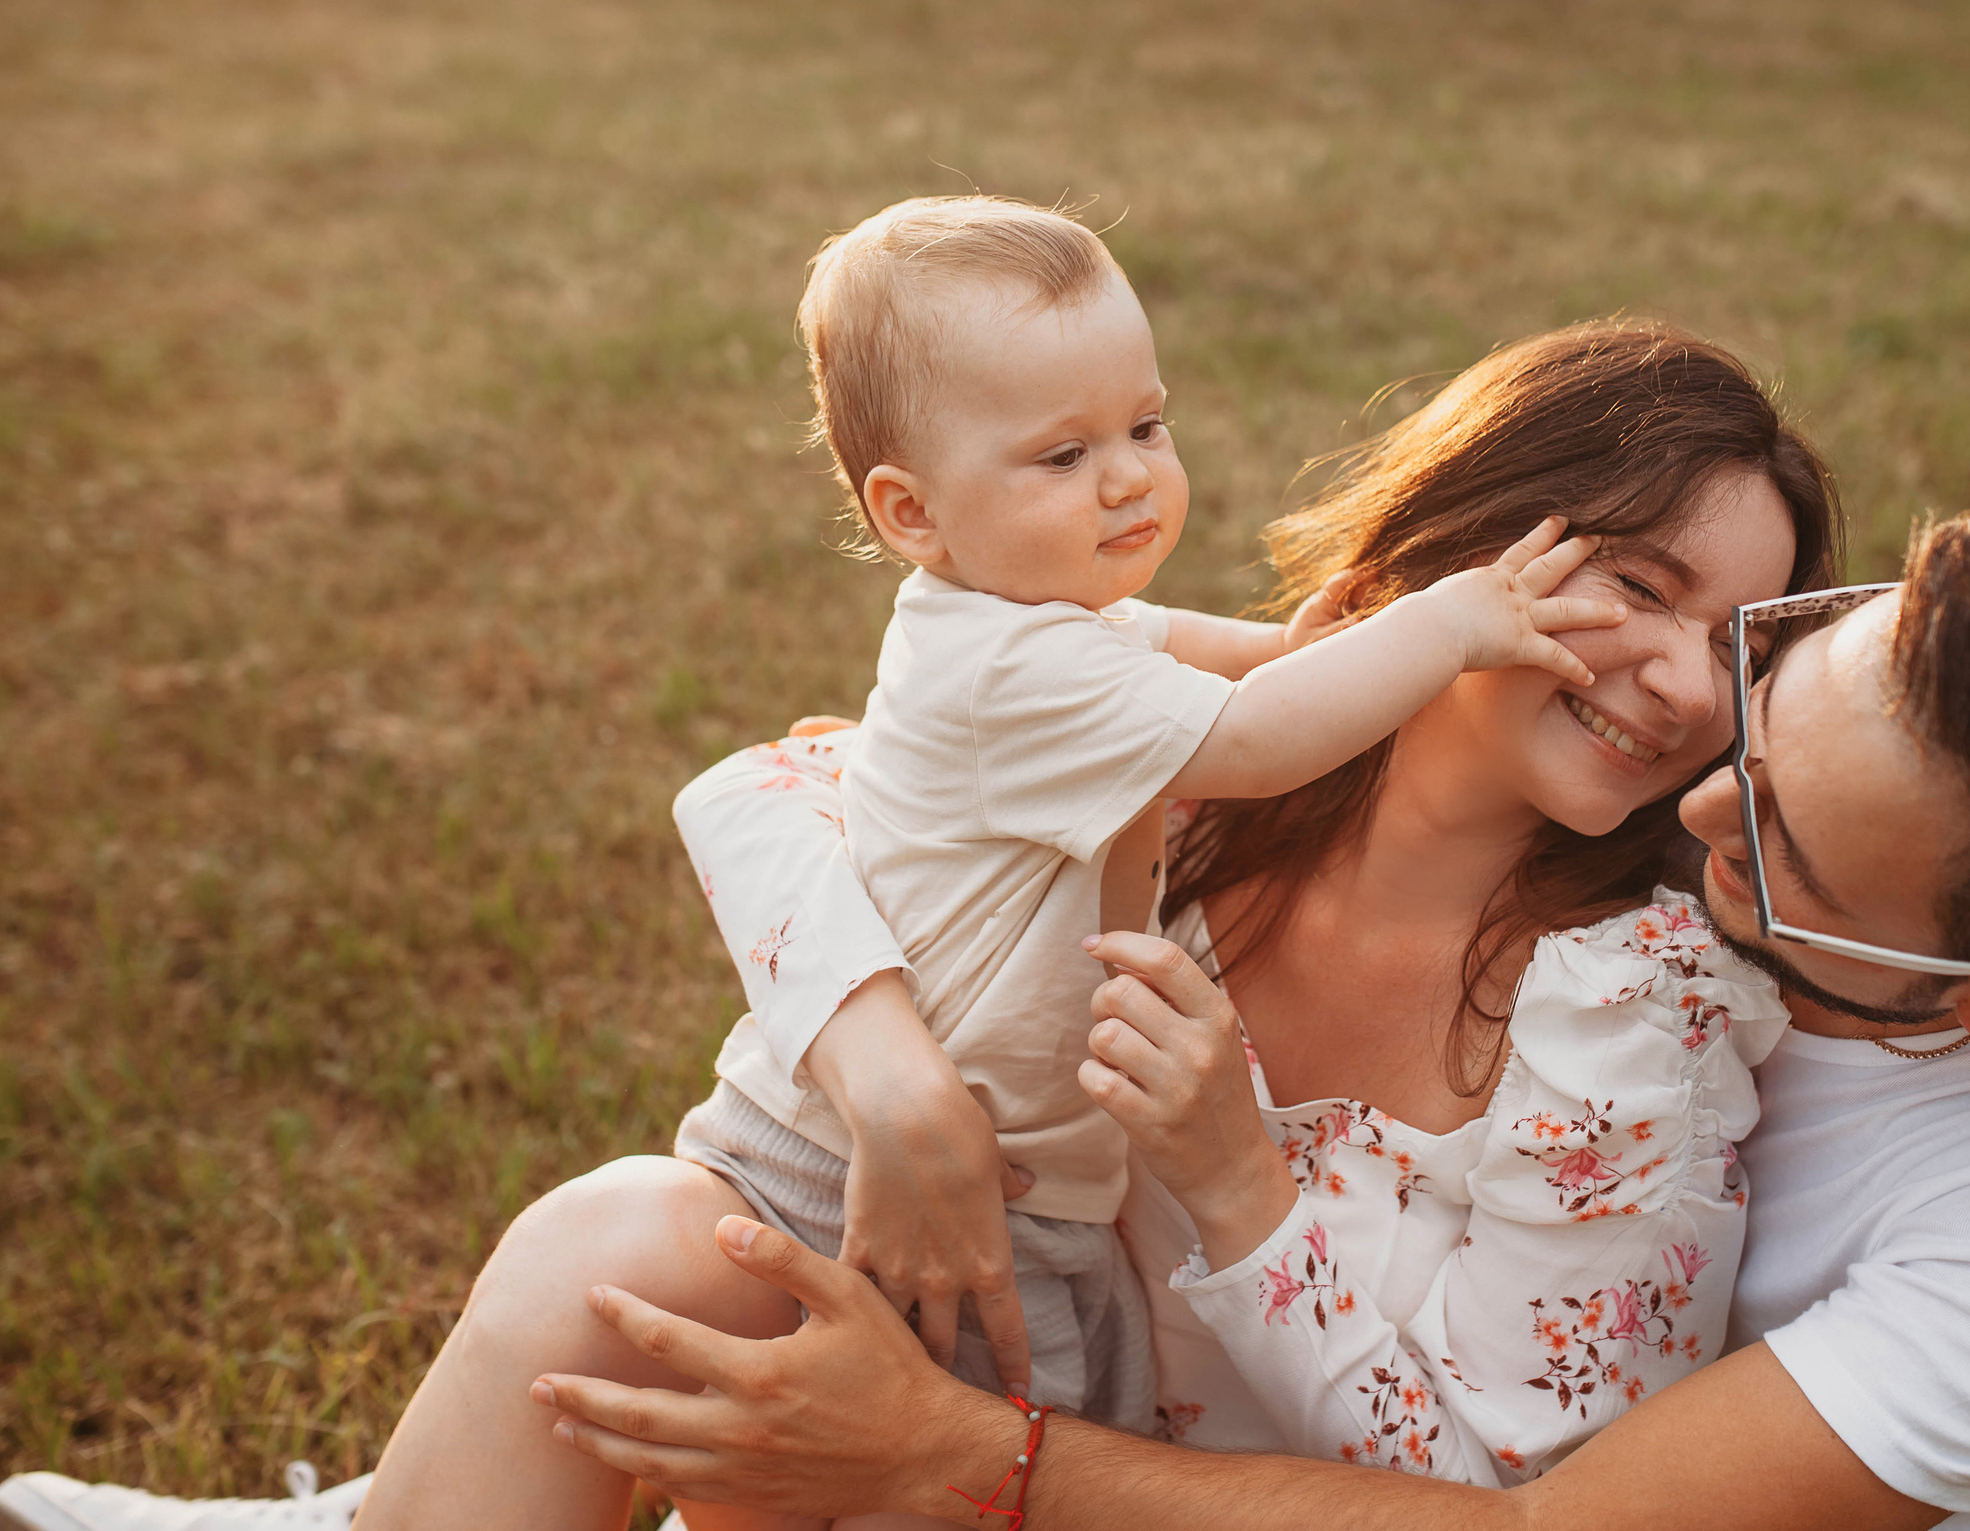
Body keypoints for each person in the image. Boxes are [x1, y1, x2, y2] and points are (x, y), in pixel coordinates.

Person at [0, 316, 1839, 1530]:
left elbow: (1516, 1501)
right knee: (642, 1230)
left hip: (1128, 1495)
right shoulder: (1206, 777)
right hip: (983, 1416)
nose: (1679, 678)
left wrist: (1235, 1182)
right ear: (1460, 557)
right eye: (1630, 587)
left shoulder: (1629, 1013)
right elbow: (773, 785)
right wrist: (896, 1085)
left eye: (1732, 637)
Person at [518, 508, 1970, 1531]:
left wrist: (944, 1448)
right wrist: (892, 1070)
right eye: (1768, 688)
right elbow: (817, 777)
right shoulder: (1700, 753)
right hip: (1182, 1426)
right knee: (625, 1247)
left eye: (1781, 844)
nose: (1700, 792)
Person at [659, 192, 1636, 1436]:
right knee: (976, 1458)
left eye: (1147, 423)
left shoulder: (1038, 620)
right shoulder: (1025, 670)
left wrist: (1284, 644)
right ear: (911, 514)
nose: (1127, 477)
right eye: (1062, 457)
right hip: (913, 1177)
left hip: (1001, 1161)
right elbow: (1260, 742)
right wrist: (1445, 625)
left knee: (1019, 1432)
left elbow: (1197, 652)